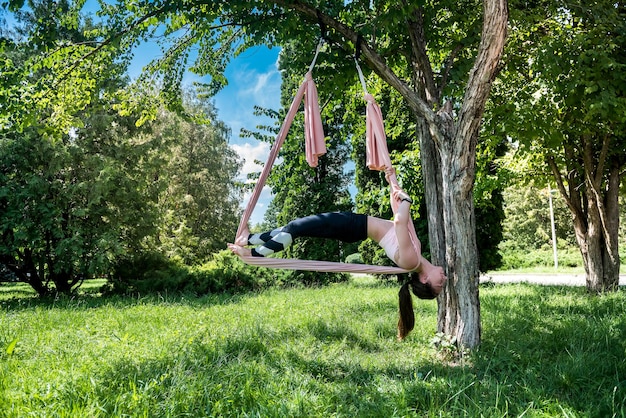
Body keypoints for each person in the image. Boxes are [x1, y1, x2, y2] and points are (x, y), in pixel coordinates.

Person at [227, 189, 447, 340]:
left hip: (352, 226)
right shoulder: (415, 256)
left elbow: (400, 221)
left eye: (440, 285)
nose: (444, 279)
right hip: (355, 225)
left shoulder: (411, 261)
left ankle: (253, 253)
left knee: (295, 228)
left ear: (425, 279)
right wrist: (395, 186)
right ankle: (249, 239)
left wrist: (407, 202)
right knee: (295, 227)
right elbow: (402, 219)